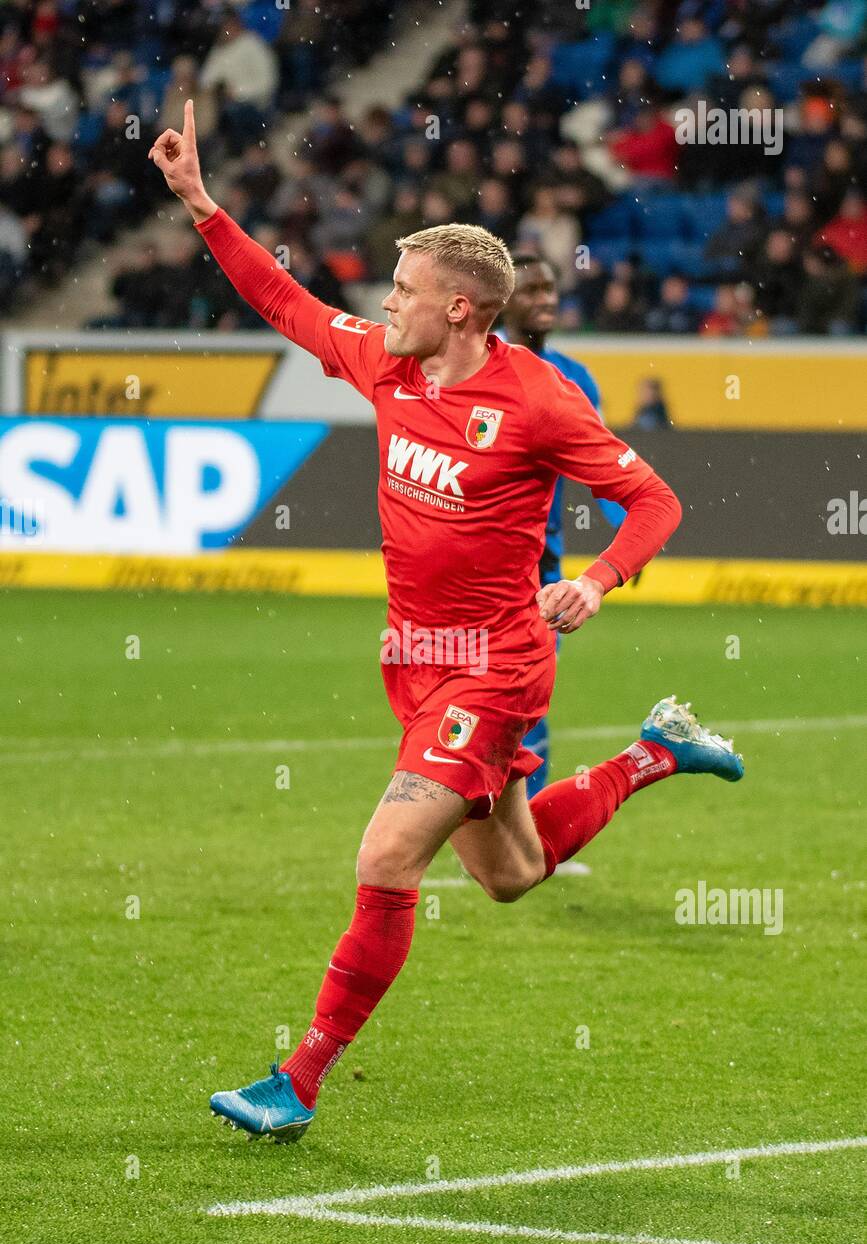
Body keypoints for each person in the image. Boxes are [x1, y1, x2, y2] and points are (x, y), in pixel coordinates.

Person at [149, 103, 744, 1143]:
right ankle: (655, 754)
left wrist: (599, 580)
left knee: (385, 858)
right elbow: (284, 302)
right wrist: (203, 206)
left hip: (494, 669)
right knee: (509, 875)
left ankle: (299, 1078)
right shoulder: (389, 361)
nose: (386, 304)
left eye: (405, 291)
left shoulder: (542, 401)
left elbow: (656, 501)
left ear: (461, 308)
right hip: (414, 661)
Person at [499, 253, 625, 799]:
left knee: (530, 703)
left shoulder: (574, 379)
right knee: (474, 706)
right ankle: (475, 825)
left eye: (550, 288)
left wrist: (626, 536)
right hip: (481, 568)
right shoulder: (474, 368)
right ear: (502, 302)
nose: (545, 298)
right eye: (531, 290)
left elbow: (607, 466)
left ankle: (525, 828)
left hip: (542, 569)